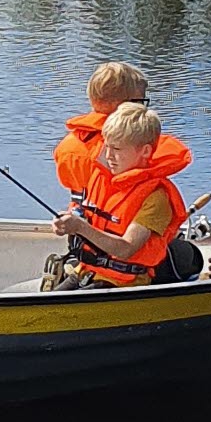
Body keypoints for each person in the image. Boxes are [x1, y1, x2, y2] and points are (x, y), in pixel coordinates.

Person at [46, 102, 192, 290]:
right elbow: (83, 213)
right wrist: (66, 222)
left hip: (123, 283)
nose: (109, 155)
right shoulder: (100, 177)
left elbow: (126, 248)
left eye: (117, 149)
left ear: (145, 151)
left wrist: (81, 227)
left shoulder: (155, 198)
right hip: (87, 271)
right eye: (106, 147)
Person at [54, 61, 149, 210]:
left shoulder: (68, 144)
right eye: (139, 103)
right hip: (117, 226)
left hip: (80, 222)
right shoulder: (124, 146)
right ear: (119, 105)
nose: (142, 109)